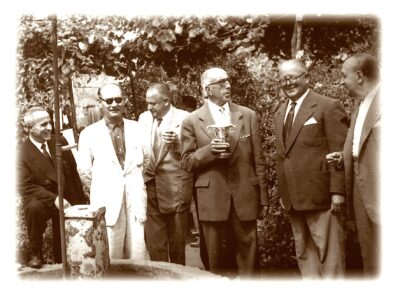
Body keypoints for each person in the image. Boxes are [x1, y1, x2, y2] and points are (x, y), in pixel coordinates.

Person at [180, 68, 268, 277]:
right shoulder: (192, 120)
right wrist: (209, 151)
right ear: (208, 90)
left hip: (245, 197)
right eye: (221, 82)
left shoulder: (247, 115)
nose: (228, 86)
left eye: (228, 81)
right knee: (217, 264)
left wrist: (263, 198)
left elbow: (259, 160)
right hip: (212, 200)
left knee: (250, 263)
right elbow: (186, 161)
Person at [273, 59, 349, 278]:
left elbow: (339, 153)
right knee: (305, 255)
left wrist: (338, 192)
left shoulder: (328, 105)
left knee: (331, 257)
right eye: (283, 79)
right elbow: (283, 156)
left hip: (323, 197)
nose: (288, 83)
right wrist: (283, 191)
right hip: (292, 198)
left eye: (293, 77)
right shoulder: (279, 111)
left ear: (306, 77)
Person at [77, 82, 147, 260]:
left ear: (124, 102)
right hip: (107, 203)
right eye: (109, 100)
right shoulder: (88, 134)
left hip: (135, 201)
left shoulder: (138, 128)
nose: (114, 104)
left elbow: (148, 161)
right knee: (109, 256)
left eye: (118, 99)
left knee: (137, 254)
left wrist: (133, 181)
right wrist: (104, 186)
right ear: (100, 102)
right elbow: (84, 171)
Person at [326, 54, 380, 277]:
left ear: (359, 76)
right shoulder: (360, 106)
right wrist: (345, 156)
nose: (341, 81)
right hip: (362, 192)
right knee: (372, 257)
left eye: (343, 76)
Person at [17, 106, 87, 268]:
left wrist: (81, 201)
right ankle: (36, 251)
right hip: (43, 198)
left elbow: (73, 173)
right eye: (43, 125)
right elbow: (25, 186)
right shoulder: (21, 154)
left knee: (70, 241)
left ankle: (65, 258)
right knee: (33, 208)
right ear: (29, 128)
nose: (49, 127)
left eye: (49, 122)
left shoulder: (59, 141)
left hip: (66, 194)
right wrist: (54, 198)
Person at [138, 83, 193, 265]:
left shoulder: (185, 118)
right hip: (150, 187)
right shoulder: (144, 119)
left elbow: (193, 153)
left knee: (177, 246)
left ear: (167, 101)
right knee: (155, 245)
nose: (149, 107)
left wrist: (178, 142)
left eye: (153, 103)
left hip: (175, 189)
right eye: (147, 103)